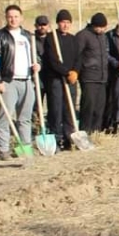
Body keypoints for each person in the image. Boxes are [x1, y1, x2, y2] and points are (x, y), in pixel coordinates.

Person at [0, 5, 38, 161]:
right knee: (5, 116)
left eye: (16, 16)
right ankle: (3, 149)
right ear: (6, 17)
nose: (13, 19)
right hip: (8, 81)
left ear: (21, 17)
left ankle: (25, 147)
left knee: (25, 117)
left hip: (27, 80)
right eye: (10, 16)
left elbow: (37, 56)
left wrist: (38, 65)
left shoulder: (28, 36)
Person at [43, 10, 80, 151]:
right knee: (56, 110)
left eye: (68, 22)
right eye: (63, 22)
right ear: (58, 23)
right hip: (56, 80)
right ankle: (56, 139)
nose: (65, 25)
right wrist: (65, 72)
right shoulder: (51, 38)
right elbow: (53, 60)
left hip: (71, 80)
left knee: (70, 110)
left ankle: (69, 137)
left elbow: (79, 57)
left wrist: (75, 72)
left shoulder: (73, 39)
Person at [76, 13, 110, 134]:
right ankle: (85, 131)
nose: (102, 30)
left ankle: (97, 132)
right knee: (88, 107)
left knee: (99, 107)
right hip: (88, 77)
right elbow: (77, 56)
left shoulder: (103, 37)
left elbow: (105, 56)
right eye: (100, 27)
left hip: (102, 77)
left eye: (104, 27)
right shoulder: (83, 36)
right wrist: (76, 72)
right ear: (94, 25)